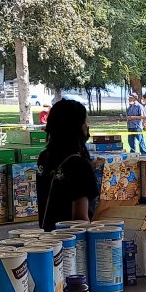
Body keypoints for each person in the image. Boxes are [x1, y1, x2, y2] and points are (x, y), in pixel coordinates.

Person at [37, 99, 99, 232]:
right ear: (77, 126)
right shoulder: (79, 166)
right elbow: (80, 219)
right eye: (85, 121)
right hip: (71, 244)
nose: (87, 126)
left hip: (47, 238)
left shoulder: (44, 157)